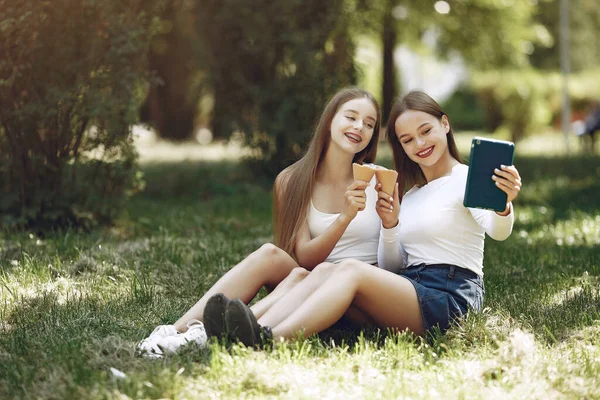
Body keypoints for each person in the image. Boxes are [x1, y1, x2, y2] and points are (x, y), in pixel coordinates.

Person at [220, 90, 523, 346]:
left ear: (444, 124)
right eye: (407, 139)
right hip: (411, 285)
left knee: (349, 269)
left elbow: (497, 231)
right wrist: (390, 226)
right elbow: (394, 266)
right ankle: (242, 328)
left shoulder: (465, 179)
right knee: (325, 270)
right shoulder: (414, 194)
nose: (419, 144)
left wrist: (503, 206)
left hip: (452, 295)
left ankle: (268, 339)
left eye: (426, 131)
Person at [137, 87, 383, 357]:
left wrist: (346, 217)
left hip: (353, 296)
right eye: (351, 117)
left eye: (369, 124)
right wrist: (344, 218)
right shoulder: (292, 180)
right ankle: (176, 332)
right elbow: (305, 259)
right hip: (307, 282)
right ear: (329, 121)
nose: (359, 127)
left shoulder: (379, 179)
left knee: (309, 275)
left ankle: (217, 334)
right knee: (271, 255)